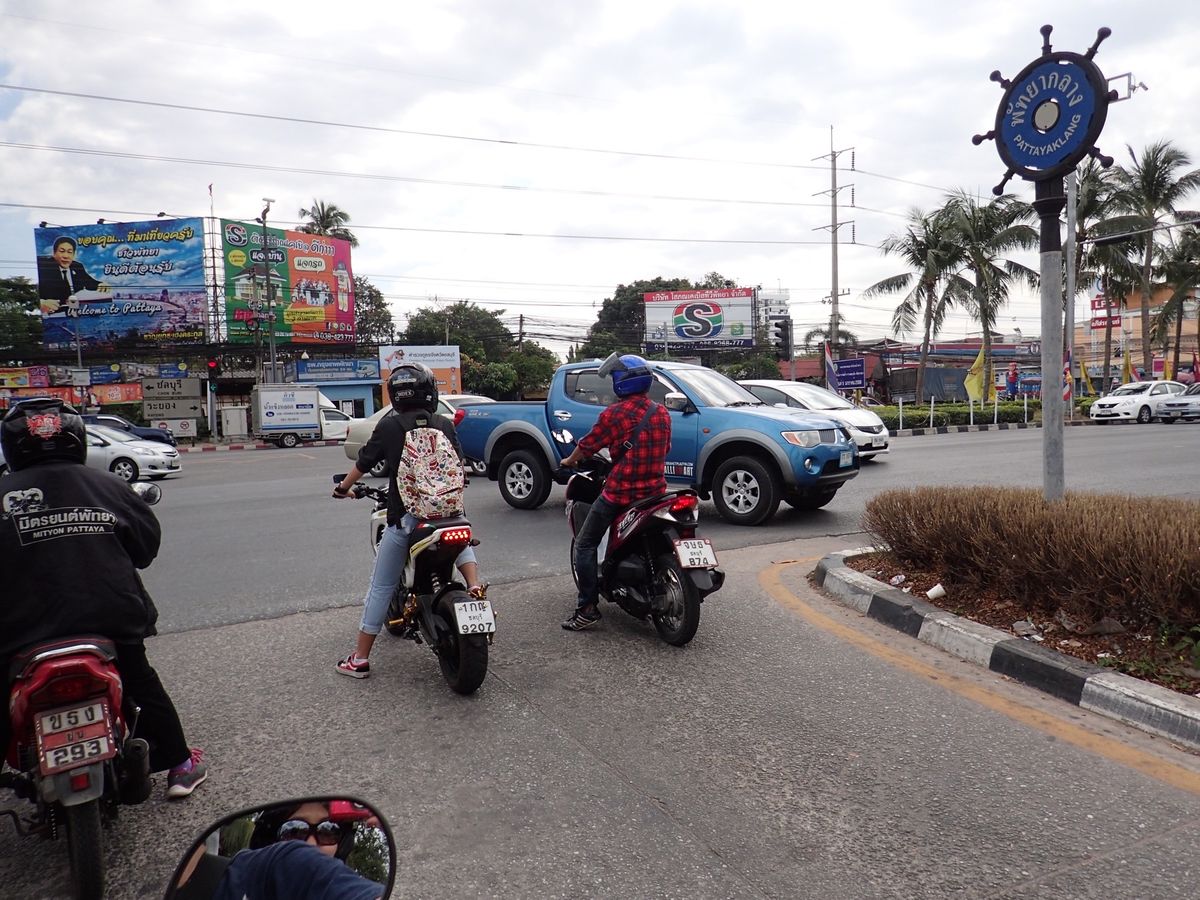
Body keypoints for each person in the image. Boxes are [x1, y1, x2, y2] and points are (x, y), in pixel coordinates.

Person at [0, 398, 206, 798]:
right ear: (76, 439)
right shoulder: (109, 486)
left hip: (17, 633)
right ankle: (180, 766)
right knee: (141, 683)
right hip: (110, 619)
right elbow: (145, 548)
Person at [331, 363, 484, 678]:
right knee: (461, 532)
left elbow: (363, 463)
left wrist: (343, 488)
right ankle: (475, 584)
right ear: (429, 391)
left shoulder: (388, 427)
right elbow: (459, 466)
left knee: (381, 585)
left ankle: (359, 659)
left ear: (395, 395)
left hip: (409, 519)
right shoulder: (444, 423)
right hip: (451, 513)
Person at [558, 353, 671, 631]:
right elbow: (664, 449)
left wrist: (570, 461)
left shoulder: (614, 414)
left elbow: (588, 445)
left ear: (622, 382)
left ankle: (587, 608)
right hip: (656, 492)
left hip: (621, 492)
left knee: (584, 544)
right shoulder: (661, 413)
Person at [36, 236, 111, 313]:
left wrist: (101, 284)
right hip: (51, 314)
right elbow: (33, 290)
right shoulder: (43, 265)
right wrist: (41, 302)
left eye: (69, 252)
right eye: (62, 251)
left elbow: (90, 283)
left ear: (74, 254)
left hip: (75, 313)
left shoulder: (77, 266)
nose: (66, 256)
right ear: (54, 253)